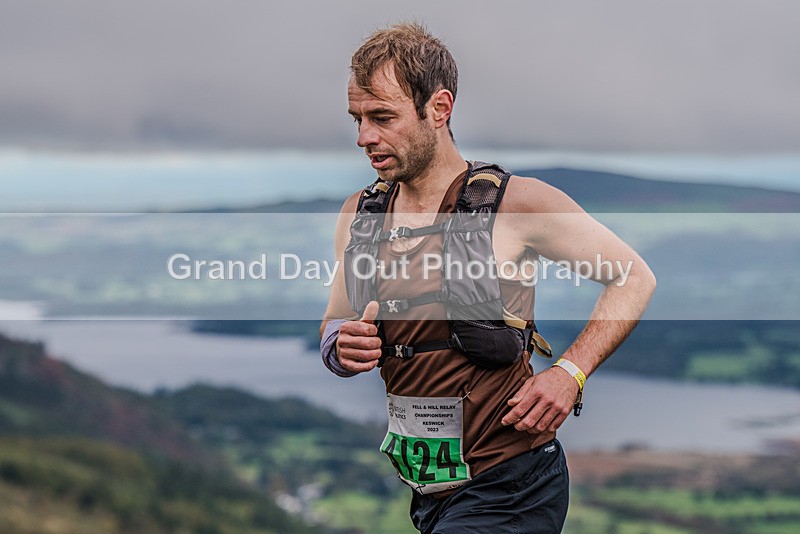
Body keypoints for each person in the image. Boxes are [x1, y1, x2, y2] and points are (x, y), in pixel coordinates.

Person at [320, 22, 656, 533]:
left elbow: (633, 277)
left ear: (439, 108)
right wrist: (339, 348)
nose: (364, 137)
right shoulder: (360, 213)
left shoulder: (517, 204)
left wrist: (570, 372)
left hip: (513, 484)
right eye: (358, 118)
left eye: (382, 117)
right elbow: (334, 322)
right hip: (430, 492)